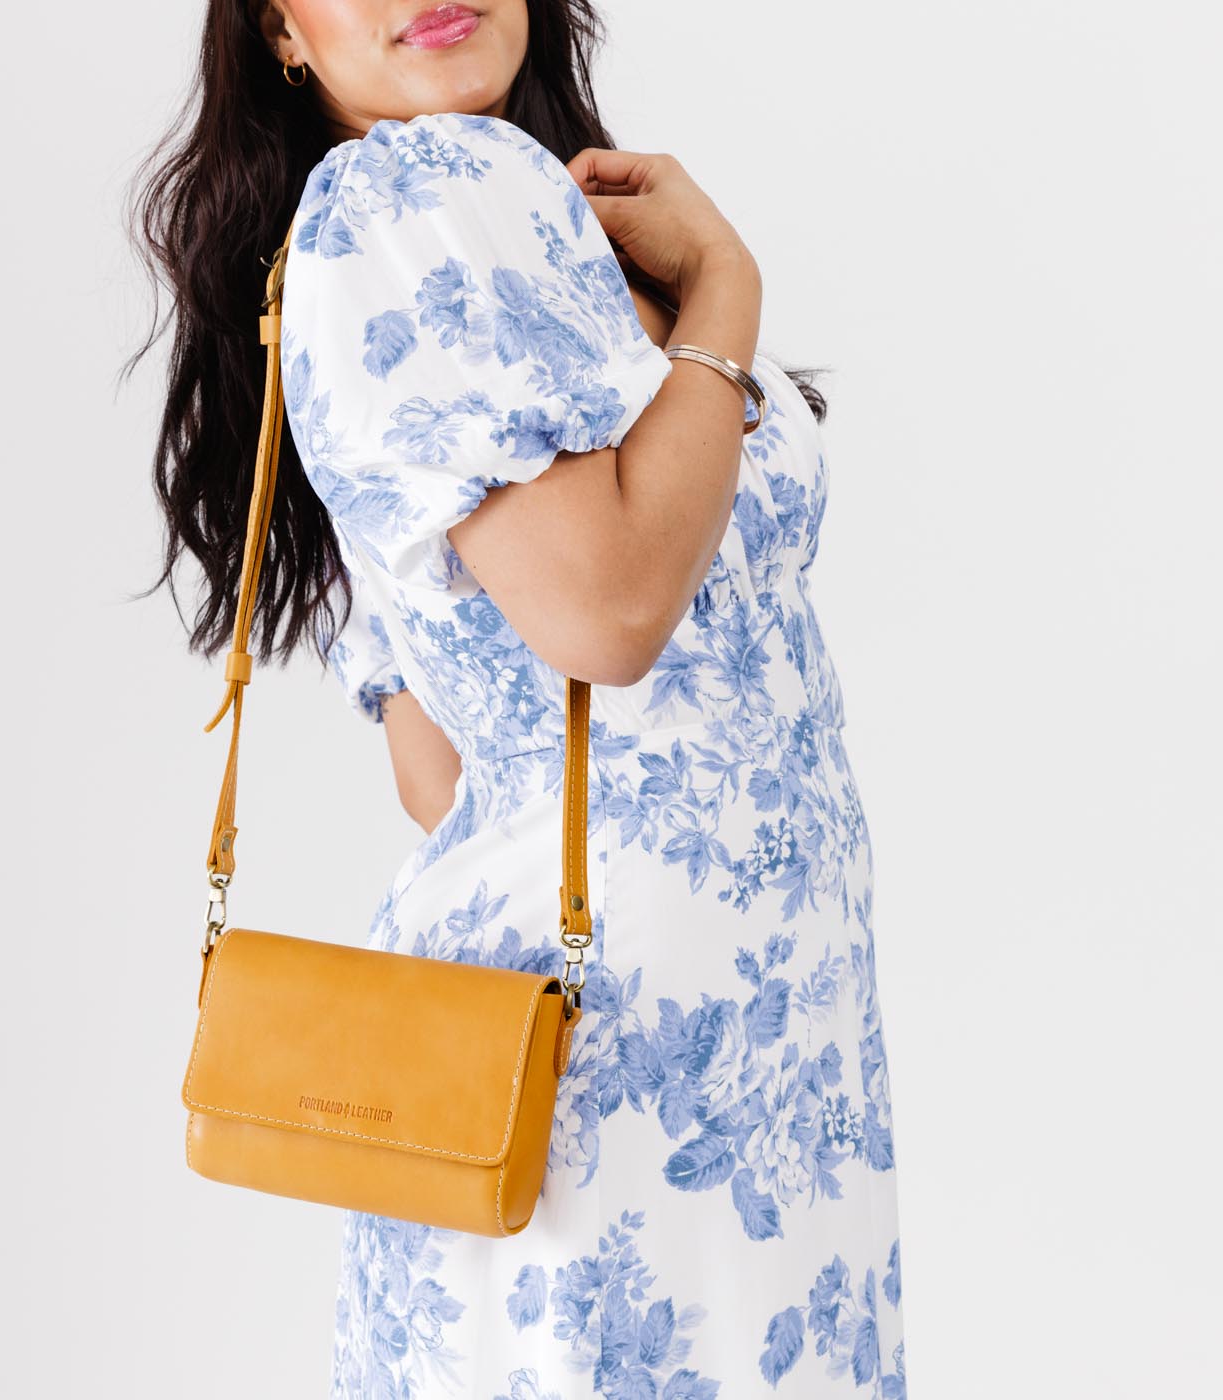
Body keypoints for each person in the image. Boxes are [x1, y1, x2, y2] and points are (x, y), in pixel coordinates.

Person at [131, 2, 907, 1394]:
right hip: (645, 1059)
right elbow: (609, 612)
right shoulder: (411, 192)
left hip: (700, 1050)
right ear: (279, 29)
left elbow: (440, 770)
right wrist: (726, 283)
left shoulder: (493, 220)